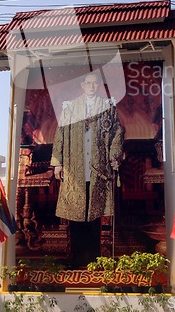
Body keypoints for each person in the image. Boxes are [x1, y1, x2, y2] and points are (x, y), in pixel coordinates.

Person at [51, 71, 124, 267]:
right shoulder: (71, 107)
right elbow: (60, 134)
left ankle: (93, 258)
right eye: (88, 83)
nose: (92, 86)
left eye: (95, 83)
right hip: (75, 169)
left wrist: (114, 156)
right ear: (82, 85)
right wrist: (58, 163)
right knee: (76, 214)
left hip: (98, 169)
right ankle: (76, 257)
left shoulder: (108, 107)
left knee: (94, 213)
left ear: (98, 86)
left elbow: (117, 133)